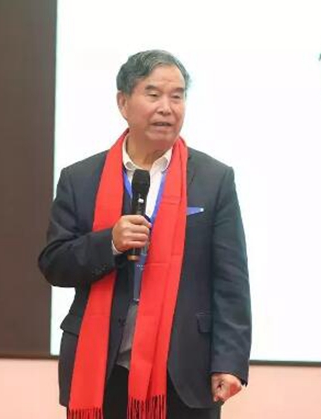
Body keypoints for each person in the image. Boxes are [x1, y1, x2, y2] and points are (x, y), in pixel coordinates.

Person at [39, 50, 251, 419]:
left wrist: (230, 361)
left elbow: (231, 280)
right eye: (153, 94)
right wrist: (109, 242)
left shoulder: (214, 179)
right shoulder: (80, 179)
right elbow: (55, 264)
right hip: (103, 368)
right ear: (123, 102)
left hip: (185, 369)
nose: (167, 108)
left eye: (177, 96)